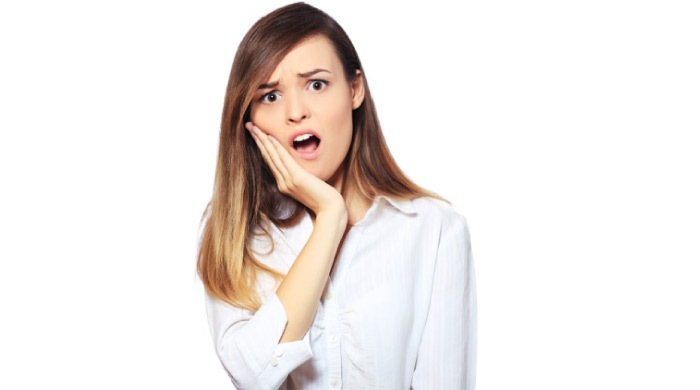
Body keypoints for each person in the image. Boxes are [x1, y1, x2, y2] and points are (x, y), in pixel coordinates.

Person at [197, 3, 477, 389]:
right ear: (249, 118)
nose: (296, 112)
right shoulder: (235, 228)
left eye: (316, 84)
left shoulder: (435, 229)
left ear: (355, 90)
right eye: (270, 96)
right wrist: (330, 217)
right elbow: (252, 375)